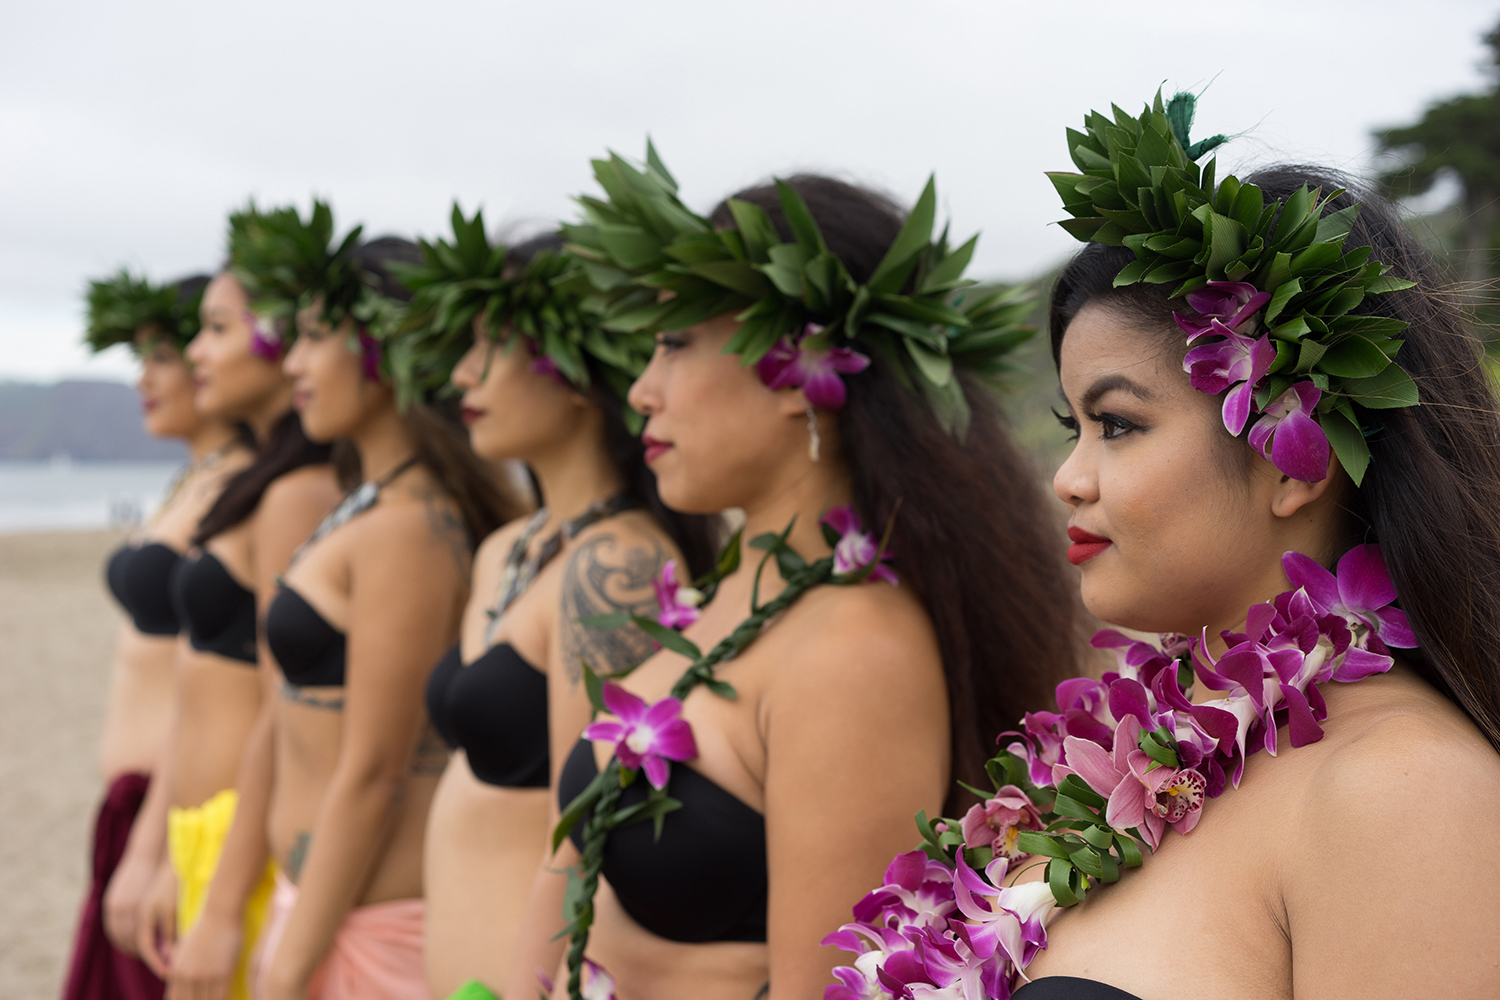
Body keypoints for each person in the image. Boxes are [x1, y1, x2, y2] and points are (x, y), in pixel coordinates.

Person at [846, 92, 1500, 1000]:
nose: (1066, 479)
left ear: (1289, 453)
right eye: (1070, 425)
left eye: (1115, 425)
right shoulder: (1137, 762)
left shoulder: (1403, 792)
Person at [517, 150, 1078, 999]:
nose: (641, 390)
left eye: (673, 346)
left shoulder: (856, 651)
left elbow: (826, 988)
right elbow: (562, 882)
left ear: (798, 366)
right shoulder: (724, 598)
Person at [392, 210, 720, 1000]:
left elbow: (590, 846)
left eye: (492, 345)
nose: (463, 375)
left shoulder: (620, 564)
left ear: (578, 368)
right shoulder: (509, 546)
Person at [228, 206, 526, 1000]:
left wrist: (290, 963)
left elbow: (375, 769)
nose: (292, 361)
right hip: (325, 916)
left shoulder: (409, 529)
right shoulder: (369, 503)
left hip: (365, 934)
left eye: (316, 336)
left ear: (383, 349)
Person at [140, 206, 345, 1000]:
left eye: (217, 329)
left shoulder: (297, 494)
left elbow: (279, 705)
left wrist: (225, 894)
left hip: (240, 834)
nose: (196, 353)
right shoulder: (258, 479)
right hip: (205, 832)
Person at [62, 271, 252, 1000]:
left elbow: (207, 681)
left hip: (172, 810)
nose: (147, 378)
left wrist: (156, 843)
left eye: (162, 355)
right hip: (134, 806)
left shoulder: (236, 488)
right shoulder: (197, 479)